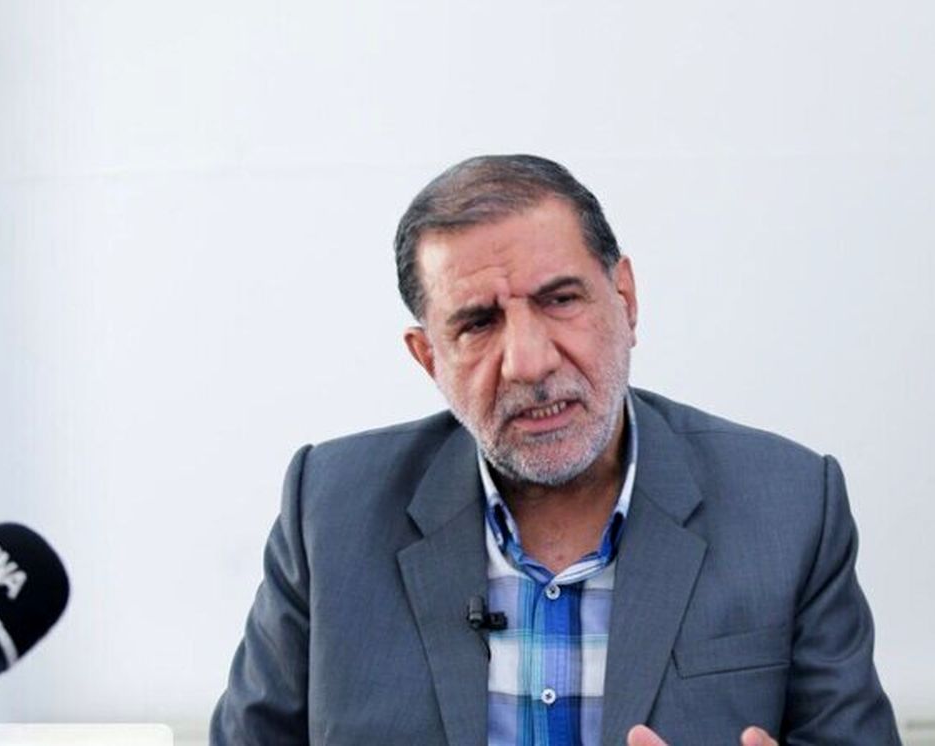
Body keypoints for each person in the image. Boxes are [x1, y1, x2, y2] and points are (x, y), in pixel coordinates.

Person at [210, 155, 900, 745]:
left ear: (625, 299)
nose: (530, 362)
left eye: (560, 300)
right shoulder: (328, 511)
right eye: (478, 324)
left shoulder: (789, 506)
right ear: (428, 358)